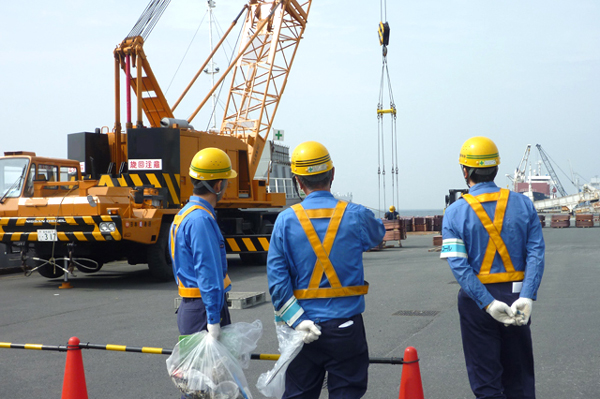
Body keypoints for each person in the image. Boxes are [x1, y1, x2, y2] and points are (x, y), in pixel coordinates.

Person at [266, 141, 385, 399]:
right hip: (346, 327)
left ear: (297, 181)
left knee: (299, 393)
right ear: (332, 174)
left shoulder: (285, 220)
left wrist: (298, 321)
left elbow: (277, 282)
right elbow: (377, 235)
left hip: (303, 330)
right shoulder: (355, 215)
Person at [440, 136, 545, 399]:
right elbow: (536, 253)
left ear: (465, 171)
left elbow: (460, 267)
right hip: (517, 298)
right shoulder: (523, 205)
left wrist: (487, 303)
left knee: (486, 380)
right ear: (496, 168)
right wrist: (528, 296)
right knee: (519, 378)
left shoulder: (454, 213)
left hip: (478, 304)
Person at [169, 147, 237, 342]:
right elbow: (208, 273)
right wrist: (214, 320)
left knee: (200, 371)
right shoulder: (201, 220)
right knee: (209, 372)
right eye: (226, 182)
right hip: (204, 311)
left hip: (193, 308)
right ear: (217, 186)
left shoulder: (185, 214)